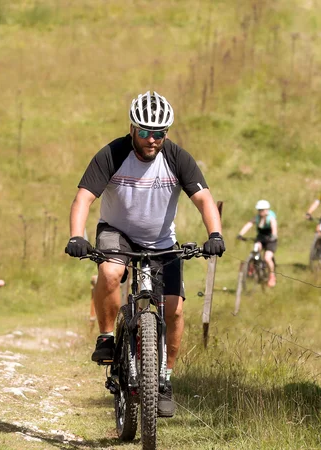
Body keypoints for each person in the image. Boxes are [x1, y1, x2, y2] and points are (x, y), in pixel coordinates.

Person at [64, 91, 224, 418]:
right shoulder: (112, 153)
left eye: (160, 133)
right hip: (117, 233)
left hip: (162, 240)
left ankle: (164, 379)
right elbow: (83, 199)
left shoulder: (178, 158)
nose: (153, 140)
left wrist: (215, 235)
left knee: (175, 311)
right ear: (133, 128)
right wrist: (76, 236)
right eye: (146, 132)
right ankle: (107, 337)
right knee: (110, 273)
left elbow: (205, 200)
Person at [237, 200, 278, 287]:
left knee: (267, 258)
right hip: (261, 238)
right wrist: (240, 234)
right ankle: (252, 266)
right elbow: (249, 224)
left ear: (267, 210)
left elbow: (274, 227)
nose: (260, 212)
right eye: (259, 210)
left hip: (271, 240)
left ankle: (272, 276)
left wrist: (274, 235)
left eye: (262, 210)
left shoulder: (270, 218)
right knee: (255, 249)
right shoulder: (257, 218)